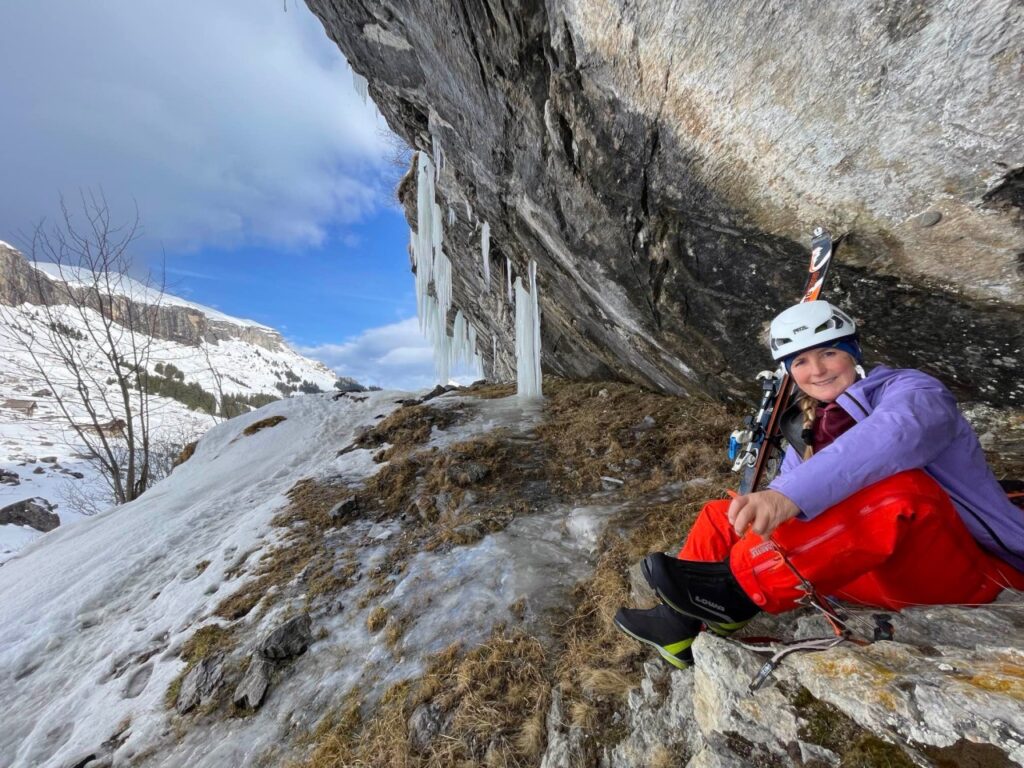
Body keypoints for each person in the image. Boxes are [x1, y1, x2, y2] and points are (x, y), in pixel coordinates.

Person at [615, 300, 1024, 669]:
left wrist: (786, 495)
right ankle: (681, 625)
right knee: (728, 514)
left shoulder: (913, 390)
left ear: (853, 353)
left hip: (964, 574)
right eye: (801, 362)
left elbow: (895, 434)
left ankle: (736, 593)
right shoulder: (812, 427)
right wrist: (770, 502)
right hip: (862, 576)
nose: (818, 370)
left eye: (829, 352)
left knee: (901, 489)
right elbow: (783, 509)